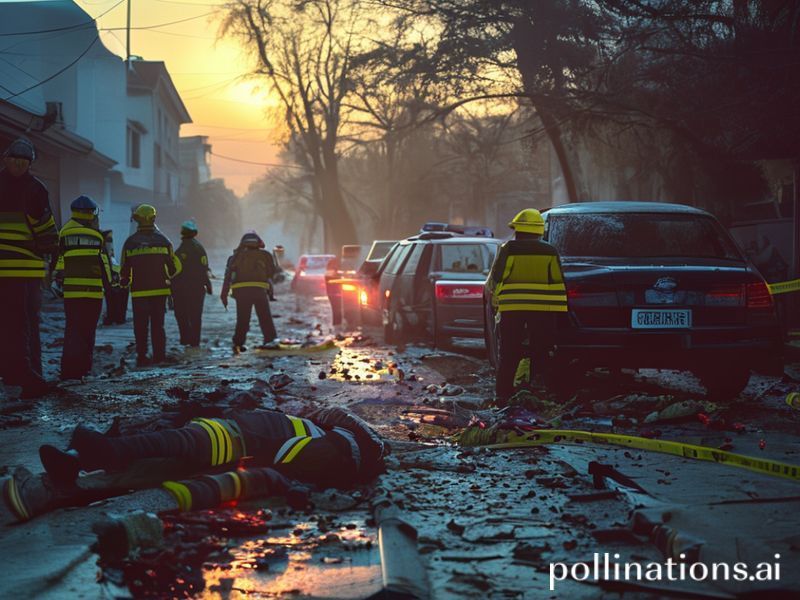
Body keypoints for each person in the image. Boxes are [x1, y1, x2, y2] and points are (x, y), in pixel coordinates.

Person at [3, 406, 388, 522]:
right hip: (239, 443)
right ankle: (60, 483)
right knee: (144, 470)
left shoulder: (341, 447)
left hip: (239, 440)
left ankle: (90, 457)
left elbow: (280, 470)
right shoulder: (345, 444)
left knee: (169, 448)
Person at [486, 208, 568, 404]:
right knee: (541, 351)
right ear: (539, 230)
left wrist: (496, 301)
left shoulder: (509, 249)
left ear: (518, 230)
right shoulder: (550, 251)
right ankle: (537, 392)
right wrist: (559, 311)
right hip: (543, 310)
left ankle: (503, 395)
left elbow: (497, 277)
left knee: (509, 352)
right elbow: (557, 281)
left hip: (512, 309)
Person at [0, 138, 59, 398]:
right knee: (24, 324)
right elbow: (45, 228)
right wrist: (52, 252)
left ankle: (14, 374)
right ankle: (29, 376)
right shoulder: (35, 189)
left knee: (10, 323)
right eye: (16, 160)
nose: (17, 165)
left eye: (21, 161)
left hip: (11, 268)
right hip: (24, 268)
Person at [54, 196, 112, 380]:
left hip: (72, 292)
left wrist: (57, 281)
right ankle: (84, 370)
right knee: (88, 331)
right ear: (90, 214)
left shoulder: (64, 233)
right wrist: (111, 285)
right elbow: (105, 264)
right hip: (93, 293)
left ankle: (68, 371)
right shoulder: (96, 236)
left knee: (73, 329)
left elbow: (58, 261)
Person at [120, 204, 182, 366]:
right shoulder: (164, 241)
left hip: (139, 293)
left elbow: (124, 271)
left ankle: (142, 357)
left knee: (140, 326)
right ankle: (159, 357)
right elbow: (174, 268)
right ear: (154, 218)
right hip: (160, 292)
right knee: (158, 326)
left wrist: (124, 281)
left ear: (137, 220)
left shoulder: (130, 242)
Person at [221, 231, 277, 353]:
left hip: (241, 293)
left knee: (242, 319)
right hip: (259, 291)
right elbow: (272, 273)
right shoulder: (265, 255)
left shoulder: (235, 257)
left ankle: (238, 343)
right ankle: (270, 340)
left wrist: (223, 295)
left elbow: (228, 277)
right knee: (265, 318)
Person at [172, 220, 212, 347]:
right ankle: (194, 342)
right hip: (197, 288)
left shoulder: (179, 250)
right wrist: (208, 284)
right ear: (195, 233)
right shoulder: (200, 248)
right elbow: (204, 268)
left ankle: (185, 339)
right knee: (195, 315)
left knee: (181, 314)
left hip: (180, 288)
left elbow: (174, 271)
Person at [101, 230, 128, 325]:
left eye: (110, 240)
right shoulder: (103, 252)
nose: (110, 243)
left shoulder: (110, 253)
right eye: (108, 240)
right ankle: (112, 317)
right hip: (107, 283)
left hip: (113, 282)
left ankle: (117, 317)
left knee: (120, 293)